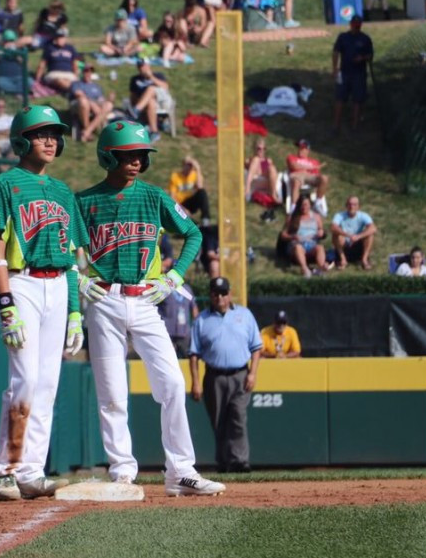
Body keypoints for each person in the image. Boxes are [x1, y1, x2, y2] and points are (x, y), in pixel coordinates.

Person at [76, 119, 225, 497]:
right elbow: (65, 248)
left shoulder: (155, 196)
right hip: (104, 299)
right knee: (112, 392)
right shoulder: (85, 201)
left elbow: (192, 234)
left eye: (141, 155)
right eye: (129, 155)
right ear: (107, 155)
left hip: (145, 300)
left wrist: (174, 278)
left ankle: (181, 471)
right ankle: (122, 472)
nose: (137, 161)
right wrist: (77, 279)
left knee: (173, 383)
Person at [0, 106, 85, 501]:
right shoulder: (4, 185)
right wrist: (5, 301)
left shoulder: (63, 192)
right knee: (23, 379)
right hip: (22, 283)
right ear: (21, 139)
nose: (50, 141)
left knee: (47, 383)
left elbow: (74, 257)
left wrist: (76, 312)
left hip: (58, 286)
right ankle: (5, 469)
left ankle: (31, 470)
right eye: (41, 133)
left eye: (54, 134)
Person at [190, 276, 262, 474]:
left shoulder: (245, 315)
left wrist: (253, 373)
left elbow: (256, 348)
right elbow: (194, 355)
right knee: (219, 420)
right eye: (215, 294)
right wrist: (195, 382)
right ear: (211, 296)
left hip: (240, 373)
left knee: (238, 416)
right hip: (214, 376)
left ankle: (240, 461)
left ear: (229, 294)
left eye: (223, 293)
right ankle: (223, 462)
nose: (219, 297)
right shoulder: (202, 319)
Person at [331, 15, 373, 133]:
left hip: (359, 73)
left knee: (357, 100)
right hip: (344, 72)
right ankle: (336, 125)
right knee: (339, 98)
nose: (356, 26)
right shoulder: (343, 37)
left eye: (358, 24)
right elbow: (336, 52)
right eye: (354, 23)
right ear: (350, 24)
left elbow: (370, 55)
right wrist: (335, 68)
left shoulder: (365, 39)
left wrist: (362, 58)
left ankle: (355, 125)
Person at [276, 196, 328, 278]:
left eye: (306, 205)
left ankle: (321, 268)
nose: (304, 207)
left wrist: (321, 232)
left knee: (320, 247)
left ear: (310, 205)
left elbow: (321, 230)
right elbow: (283, 235)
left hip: (312, 243)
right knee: (298, 247)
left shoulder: (316, 217)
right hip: (297, 244)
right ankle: (305, 269)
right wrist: (292, 237)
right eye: (302, 205)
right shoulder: (292, 217)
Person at [329, 195, 378, 270]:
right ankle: (343, 259)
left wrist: (358, 236)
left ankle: (364, 260)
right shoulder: (339, 215)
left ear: (358, 206)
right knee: (336, 235)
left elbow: (373, 228)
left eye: (354, 205)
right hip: (345, 244)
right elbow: (333, 227)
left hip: (357, 244)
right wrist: (348, 235)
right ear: (346, 206)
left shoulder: (363, 216)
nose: (352, 207)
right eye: (350, 204)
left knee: (370, 235)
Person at [68, 64, 113, 142]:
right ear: (82, 72)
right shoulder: (76, 83)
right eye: (86, 71)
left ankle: (87, 132)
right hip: (78, 104)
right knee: (84, 101)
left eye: (90, 71)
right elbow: (78, 94)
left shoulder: (96, 86)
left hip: (95, 105)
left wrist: (108, 100)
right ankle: (88, 129)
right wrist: (92, 103)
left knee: (109, 105)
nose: (88, 73)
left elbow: (101, 99)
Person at [285, 139, 329, 216]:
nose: (300, 150)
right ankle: (293, 207)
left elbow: (316, 175)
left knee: (324, 178)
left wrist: (316, 171)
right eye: (299, 148)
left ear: (308, 150)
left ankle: (317, 203)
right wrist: (311, 167)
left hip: (309, 176)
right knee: (296, 182)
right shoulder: (291, 157)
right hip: (297, 174)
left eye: (302, 148)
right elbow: (294, 166)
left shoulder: (314, 162)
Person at [128, 60, 171, 137]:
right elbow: (133, 96)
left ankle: (136, 110)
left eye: (144, 66)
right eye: (140, 67)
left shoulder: (158, 75)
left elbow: (165, 87)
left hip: (162, 100)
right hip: (147, 103)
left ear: (148, 66)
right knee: (151, 102)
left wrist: (151, 77)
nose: (142, 69)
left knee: (151, 89)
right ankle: (154, 132)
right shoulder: (135, 79)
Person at [168, 154, 210, 225]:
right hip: (180, 204)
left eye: (192, 165)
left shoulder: (194, 174)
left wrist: (198, 169)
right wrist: (183, 209)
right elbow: (172, 197)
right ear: (183, 165)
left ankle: (205, 220)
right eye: (188, 165)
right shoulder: (175, 176)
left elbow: (200, 187)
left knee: (202, 193)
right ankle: (192, 224)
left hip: (190, 201)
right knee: (189, 222)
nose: (190, 167)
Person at [245, 137, 280, 221]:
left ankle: (273, 194)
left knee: (271, 167)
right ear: (255, 149)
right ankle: (247, 188)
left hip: (265, 179)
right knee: (257, 159)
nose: (261, 151)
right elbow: (247, 168)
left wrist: (267, 164)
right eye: (259, 149)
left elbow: (269, 172)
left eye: (263, 149)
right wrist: (250, 162)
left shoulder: (268, 161)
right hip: (254, 180)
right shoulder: (250, 159)